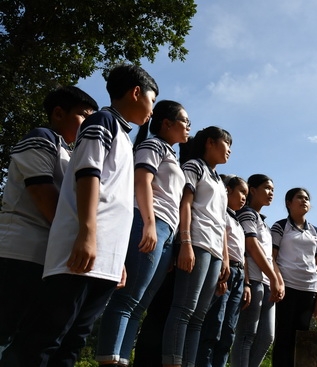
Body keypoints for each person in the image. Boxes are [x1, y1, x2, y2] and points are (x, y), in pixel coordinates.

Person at [0, 64, 159, 367]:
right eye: (151, 100)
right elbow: (86, 177)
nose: (151, 111)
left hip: (101, 259)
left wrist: (116, 260)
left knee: (73, 339)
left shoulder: (123, 139)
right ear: (136, 92)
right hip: (50, 251)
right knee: (42, 336)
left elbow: (114, 202)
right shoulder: (102, 122)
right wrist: (86, 233)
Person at [0, 86, 98, 353]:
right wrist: (80, 235)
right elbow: (43, 194)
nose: (89, 125)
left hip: (45, 257)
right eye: (84, 116)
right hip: (19, 251)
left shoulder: (69, 152)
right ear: (58, 113)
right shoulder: (42, 138)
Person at [95, 100, 191, 367]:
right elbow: (142, 181)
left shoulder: (171, 154)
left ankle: (122, 358)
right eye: (185, 121)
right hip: (149, 222)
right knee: (127, 298)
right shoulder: (153, 145)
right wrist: (149, 222)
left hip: (167, 232)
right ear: (166, 123)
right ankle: (109, 358)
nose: (188, 128)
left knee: (139, 304)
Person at [162, 126, 232, 367]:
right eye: (226, 143)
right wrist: (186, 242)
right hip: (197, 242)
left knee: (199, 317)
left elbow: (223, 223)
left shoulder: (221, 182)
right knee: (183, 308)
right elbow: (186, 204)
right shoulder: (194, 166)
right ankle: (172, 361)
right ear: (210, 143)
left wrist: (225, 258)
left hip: (214, 250)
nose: (229, 150)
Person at [196, 174, 252, 367]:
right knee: (214, 325)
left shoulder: (237, 221)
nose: (244, 197)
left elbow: (242, 253)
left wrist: (246, 283)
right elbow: (221, 241)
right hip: (225, 270)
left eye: (246, 194)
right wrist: (222, 268)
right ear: (228, 190)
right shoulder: (221, 213)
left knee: (229, 329)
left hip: (239, 273)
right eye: (241, 192)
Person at [231, 174, 285, 367]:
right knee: (246, 335)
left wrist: (278, 280)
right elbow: (251, 247)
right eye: (267, 188)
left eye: (273, 190)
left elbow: (270, 257)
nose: (271, 193)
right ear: (253, 190)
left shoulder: (264, 223)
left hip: (267, 283)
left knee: (266, 337)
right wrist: (272, 276)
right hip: (253, 280)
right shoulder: (246, 213)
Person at [271, 187, 317, 367]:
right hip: (286, 288)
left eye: (307, 198)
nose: (304, 201)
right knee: (283, 337)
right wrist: (278, 283)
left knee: (302, 338)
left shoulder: (316, 232)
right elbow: (272, 258)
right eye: (299, 198)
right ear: (289, 203)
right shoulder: (280, 227)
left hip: (308, 290)